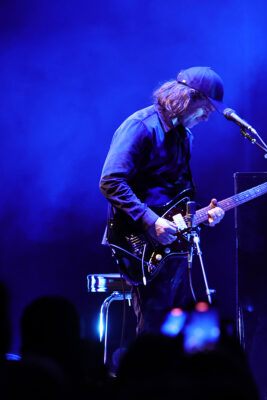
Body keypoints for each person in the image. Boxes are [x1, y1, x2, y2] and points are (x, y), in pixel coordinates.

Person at [99, 66, 226, 335]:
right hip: (138, 240)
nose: (206, 117)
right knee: (155, 327)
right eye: (206, 109)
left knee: (176, 327)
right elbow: (111, 181)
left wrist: (203, 214)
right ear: (188, 98)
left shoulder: (185, 137)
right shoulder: (141, 126)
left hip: (173, 245)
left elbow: (176, 195)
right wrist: (151, 221)